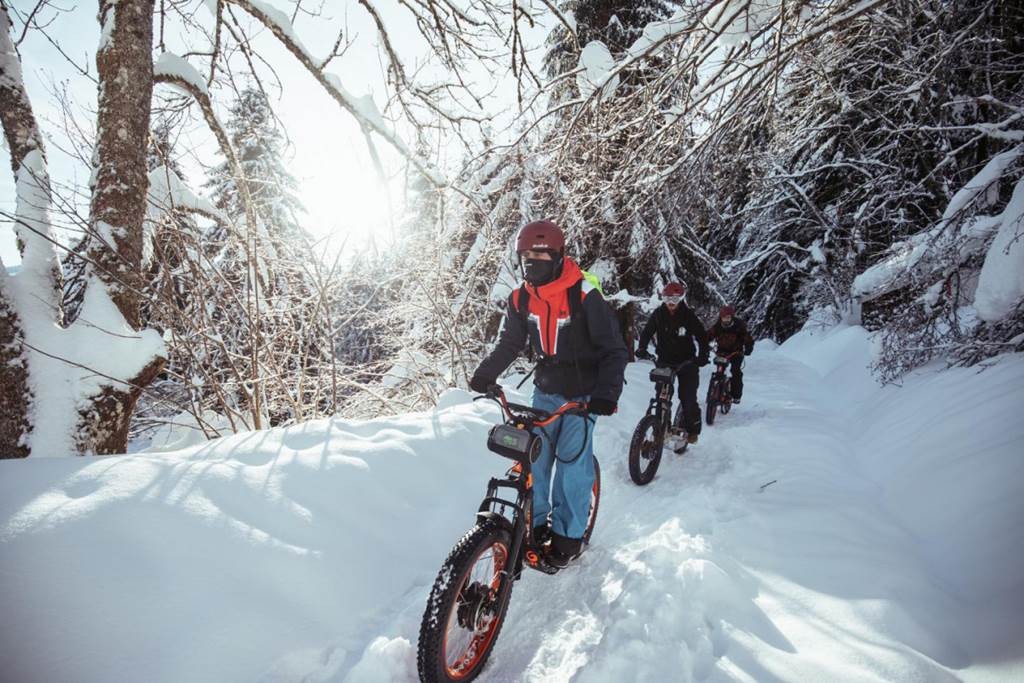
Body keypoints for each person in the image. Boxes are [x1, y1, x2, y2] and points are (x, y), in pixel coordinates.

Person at [469, 220, 627, 569]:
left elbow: (613, 349)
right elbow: (510, 342)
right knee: (534, 461)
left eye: (540, 254)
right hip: (545, 391)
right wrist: (485, 374)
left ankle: (568, 538)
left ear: (557, 256)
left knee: (572, 466)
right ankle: (534, 526)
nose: (532, 261)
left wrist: (606, 395)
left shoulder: (584, 293)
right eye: (526, 255)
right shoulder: (521, 297)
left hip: (583, 397)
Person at [635, 282, 709, 443]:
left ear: (681, 299)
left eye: (675, 299)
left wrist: (703, 356)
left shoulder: (688, 315)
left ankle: (692, 430)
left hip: (687, 362)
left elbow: (702, 336)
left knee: (688, 398)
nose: (670, 303)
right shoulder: (659, 314)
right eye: (667, 298)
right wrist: (641, 348)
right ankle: (661, 425)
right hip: (665, 361)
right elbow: (647, 331)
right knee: (661, 395)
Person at [707, 305, 755, 403]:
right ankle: (714, 391)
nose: (726, 320)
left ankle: (736, 395)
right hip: (722, 351)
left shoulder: (739, 326)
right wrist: (704, 343)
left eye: (728, 317)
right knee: (719, 370)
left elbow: (747, 338)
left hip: (735, 352)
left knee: (735, 371)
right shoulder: (718, 326)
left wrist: (748, 348)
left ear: (732, 317)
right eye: (724, 318)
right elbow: (708, 335)